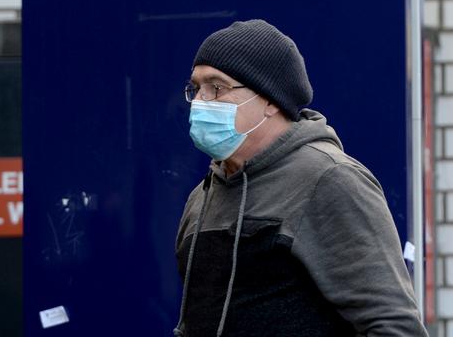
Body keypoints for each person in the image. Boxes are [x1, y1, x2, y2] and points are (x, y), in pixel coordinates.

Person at [174, 19, 428, 337]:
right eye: (195, 88)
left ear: (268, 100)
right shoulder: (203, 197)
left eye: (217, 87)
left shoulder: (330, 180)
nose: (200, 101)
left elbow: (394, 326)